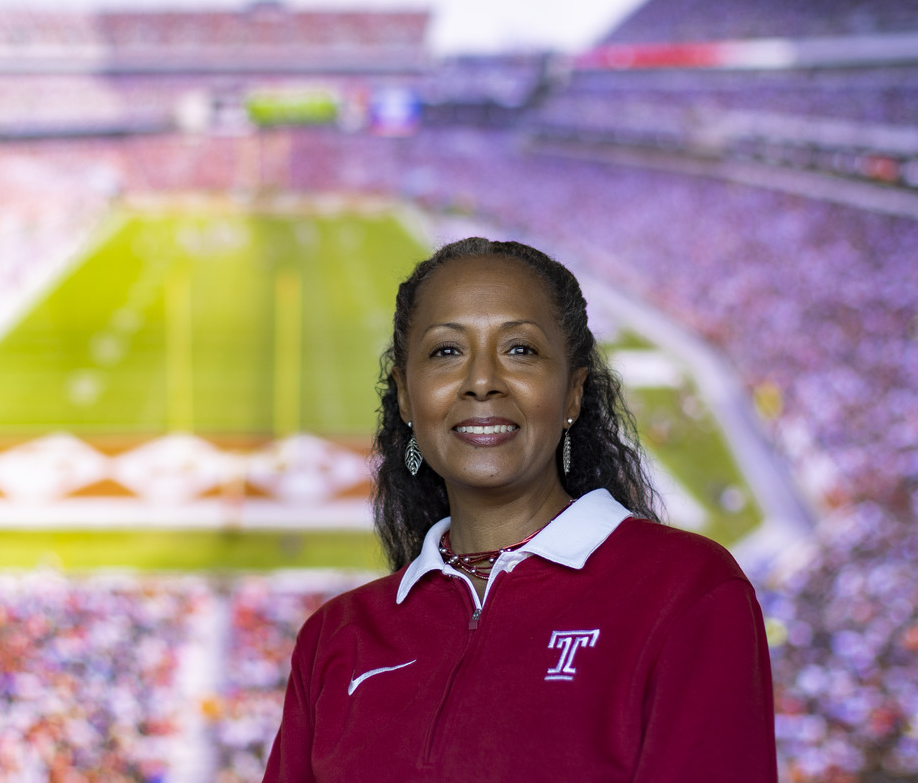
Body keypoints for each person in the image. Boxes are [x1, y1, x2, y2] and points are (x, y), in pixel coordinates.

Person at [263, 238, 777, 782]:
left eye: (520, 350)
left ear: (573, 393)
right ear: (406, 397)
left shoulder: (685, 590)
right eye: (445, 352)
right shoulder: (336, 635)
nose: (482, 381)